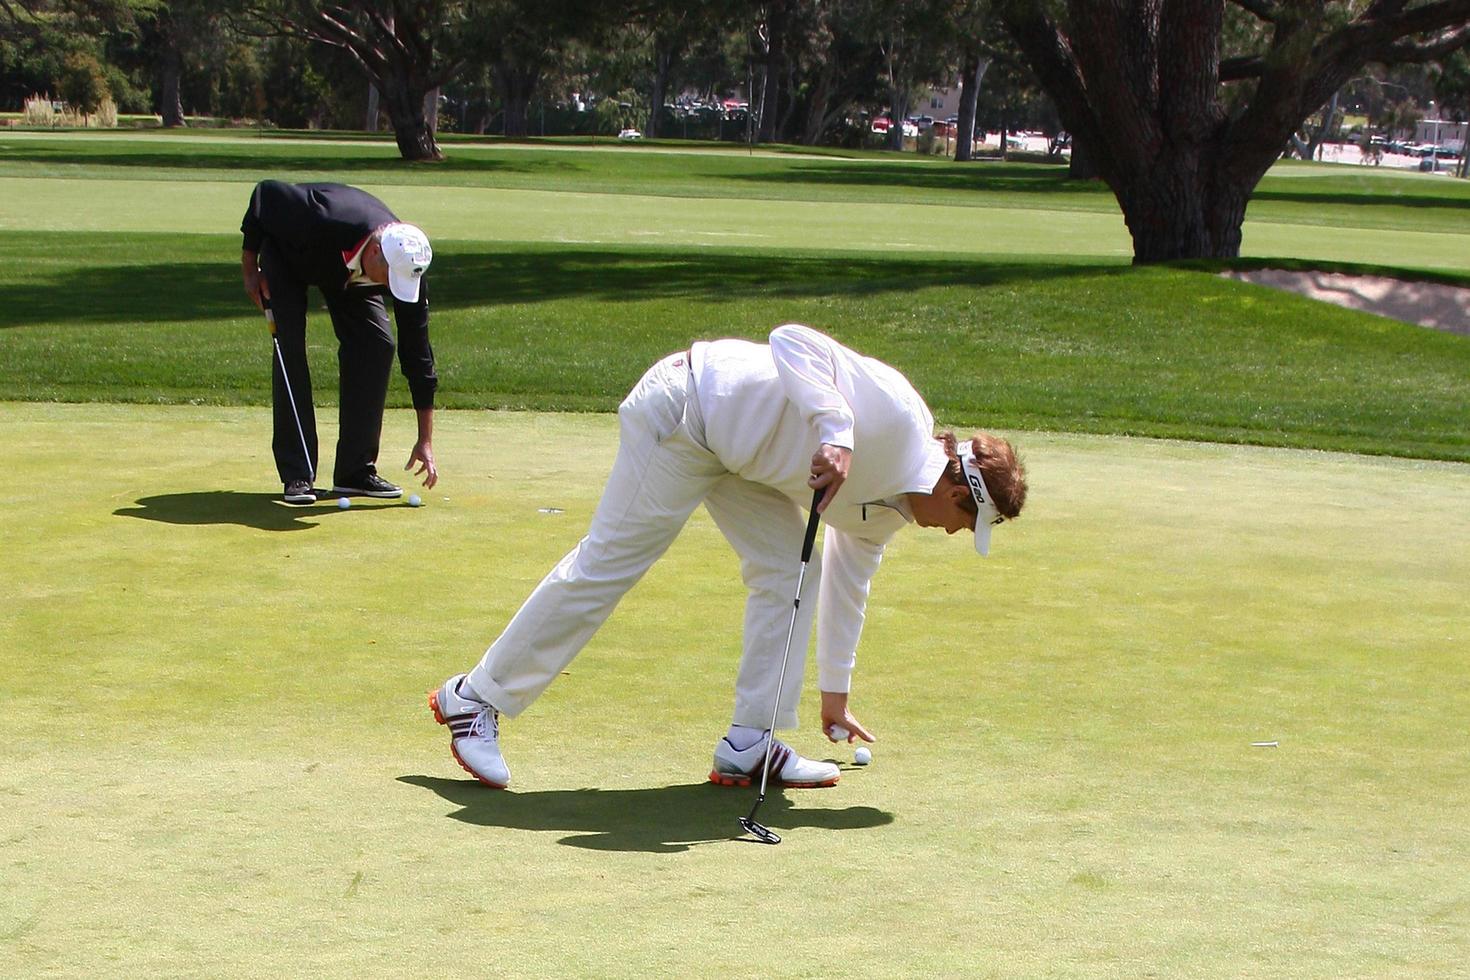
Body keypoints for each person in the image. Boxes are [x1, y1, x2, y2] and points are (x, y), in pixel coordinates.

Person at [429, 324, 1027, 789]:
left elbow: (849, 584)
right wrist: (836, 432)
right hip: (688, 408)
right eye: (964, 524)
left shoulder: (889, 515)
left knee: (794, 571)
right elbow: (792, 339)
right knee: (609, 564)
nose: (953, 534)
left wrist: (835, 695)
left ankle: (749, 743)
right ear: (955, 494)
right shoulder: (899, 419)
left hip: (739, 460)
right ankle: (472, 698)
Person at [240, 180, 440, 504]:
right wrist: (250, 267)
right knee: (288, 347)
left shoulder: (405, 267)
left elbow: (418, 352)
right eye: (390, 279)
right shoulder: (321, 215)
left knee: (377, 344)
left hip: (349, 273)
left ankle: (355, 472)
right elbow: (265, 194)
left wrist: (425, 439)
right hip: (292, 253)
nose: (393, 288)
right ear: (376, 252)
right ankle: (298, 475)